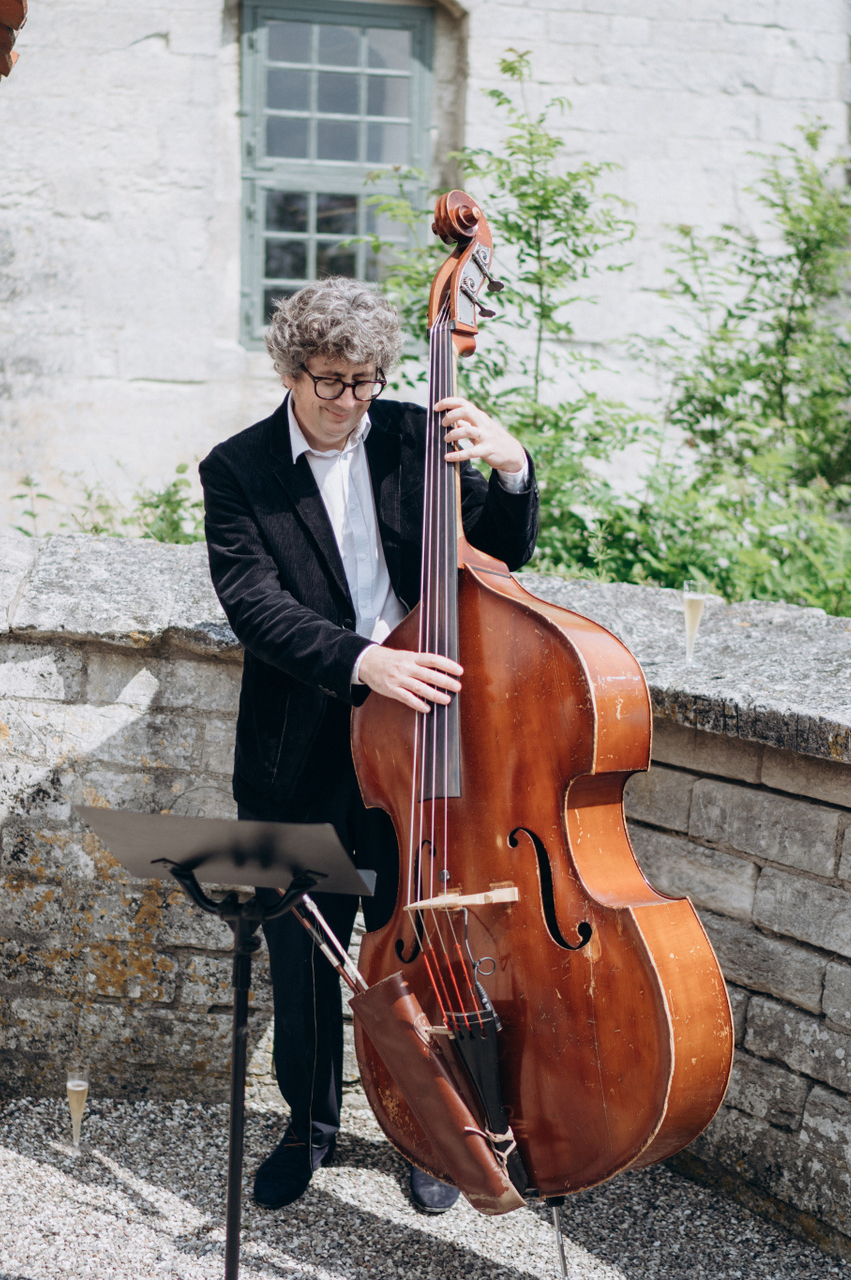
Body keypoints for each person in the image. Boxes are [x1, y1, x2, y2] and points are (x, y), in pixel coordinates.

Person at [199, 277, 538, 1214]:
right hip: (297, 755)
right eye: (330, 382)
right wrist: (365, 663)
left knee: (423, 950)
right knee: (303, 962)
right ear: (289, 372)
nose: (349, 400)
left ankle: (434, 1132)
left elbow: (499, 557)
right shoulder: (236, 469)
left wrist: (512, 467)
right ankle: (308, 1127)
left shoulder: (415, 435)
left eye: (365, 381)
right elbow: (255, 608)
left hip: (420, 751)